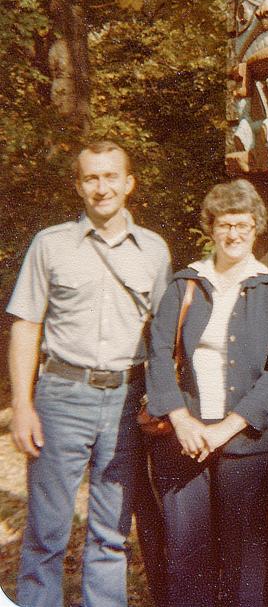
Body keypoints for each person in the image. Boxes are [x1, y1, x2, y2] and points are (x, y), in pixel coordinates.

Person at [7, 140, 172, 607]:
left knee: (111, 532)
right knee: (47, 533)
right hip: (62, 396)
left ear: (129, 183)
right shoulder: (50, 244)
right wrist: (22, 406)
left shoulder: (154, 251)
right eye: (91, 178)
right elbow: (26, 325)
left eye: (111, 177)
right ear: (78, 186)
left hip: (125, 401)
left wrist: (158, 402)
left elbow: (162, 337)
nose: (102, 188)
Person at [145, 179, 268, 607]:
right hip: (185, 440)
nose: (234, 235)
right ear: (211, 228)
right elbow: (157, 354)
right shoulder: (185, 284)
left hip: (248, 444)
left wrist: (227, 428)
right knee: (185, 554)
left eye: (243, 225)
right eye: (225, 225)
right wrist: (180, 419)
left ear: (257, 229)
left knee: (245, 559)